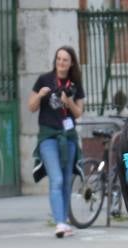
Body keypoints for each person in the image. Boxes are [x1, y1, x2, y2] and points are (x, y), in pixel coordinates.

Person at [28, 46, 85, 238]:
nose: (61, 63)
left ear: (71, 63)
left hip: (67, 137)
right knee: (57, 179)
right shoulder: (44, 80)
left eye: (65, 60)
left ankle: (64, 220)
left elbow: (78, 112)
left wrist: (68, 101)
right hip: (48, 137)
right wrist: (40, 95)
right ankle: (60, 222)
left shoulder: (75, 84)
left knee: (67, 180)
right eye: (59, 59)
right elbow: (31, 107)